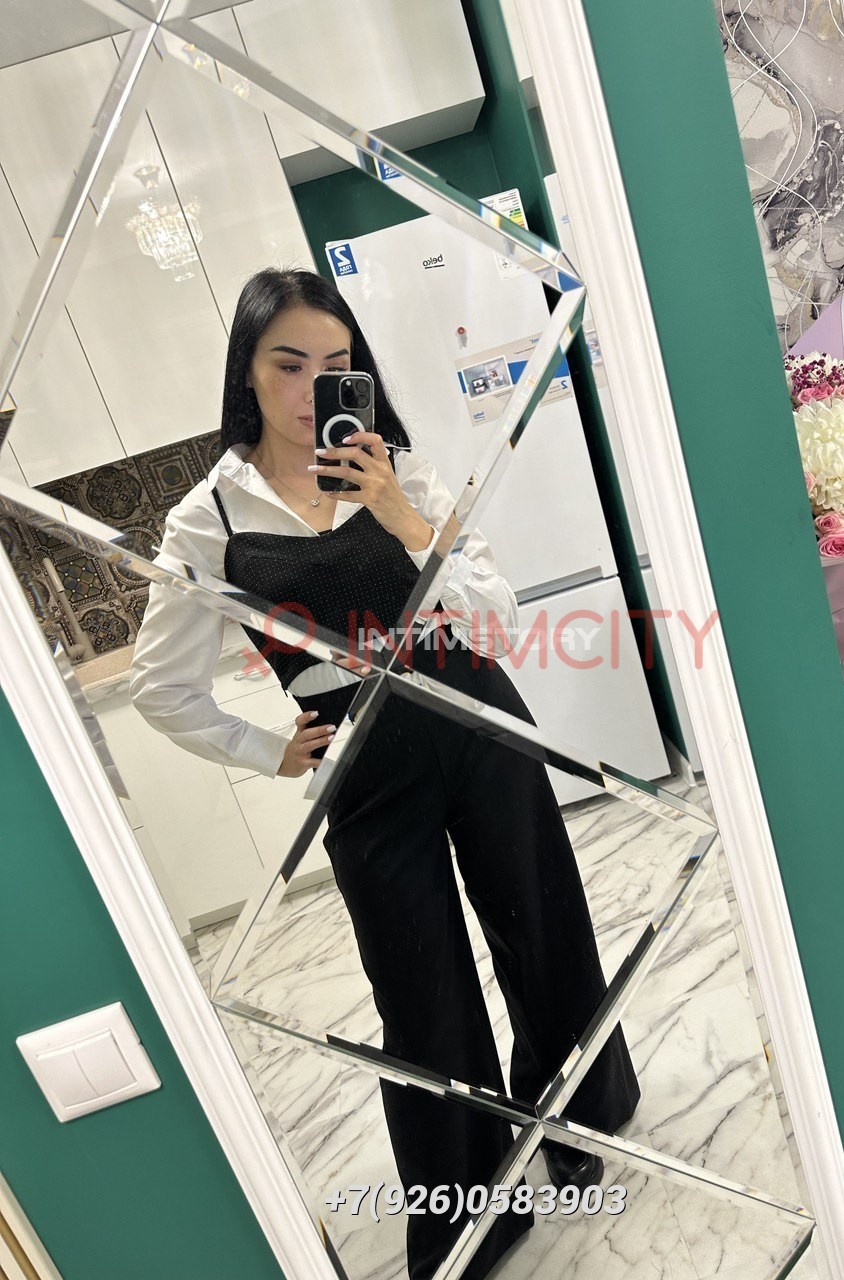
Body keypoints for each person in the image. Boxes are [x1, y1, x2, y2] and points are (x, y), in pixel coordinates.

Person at [129, 268, 640, 1280]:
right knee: (418, 988)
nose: (312, 387)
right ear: (246, 371)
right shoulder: (206, 518)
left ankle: (584, 1120)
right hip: (361, 763)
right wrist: (266, 749)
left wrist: (404, 515)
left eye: (336, 364)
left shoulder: (396, 470)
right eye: (289, 364)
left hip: (474, 715)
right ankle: (473, 1203)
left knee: (541, 925)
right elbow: (160, 685)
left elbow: (497, 621)